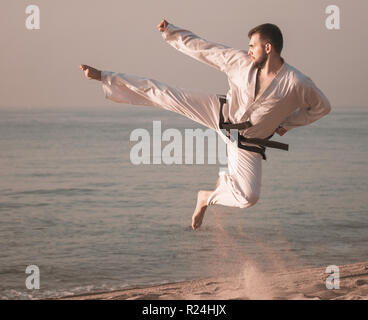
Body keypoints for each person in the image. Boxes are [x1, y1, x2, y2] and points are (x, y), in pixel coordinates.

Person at [80, 19, 331, 230]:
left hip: (247, 143)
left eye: (252, 45)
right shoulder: (240, 62)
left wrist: (288, 123)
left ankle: (206, 197)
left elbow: (322, 107)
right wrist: (171, 33)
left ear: (268, 47)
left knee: (248, 198)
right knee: (166, 95)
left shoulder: (297, 83)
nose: (249, 50)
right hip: (220, 115)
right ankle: (106, 77)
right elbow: (205, 50)